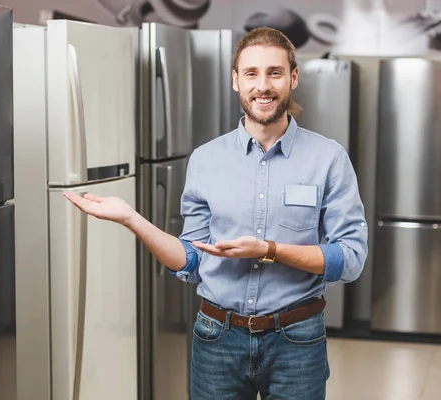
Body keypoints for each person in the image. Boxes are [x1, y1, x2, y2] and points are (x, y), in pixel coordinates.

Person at [63, 26, 368, 400]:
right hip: (217, 338)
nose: (263, 85)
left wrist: (269, 250)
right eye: (251, 73)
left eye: (274, 72)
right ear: (235, 80)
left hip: (297, 340)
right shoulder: (206, 160)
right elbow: (191, 260)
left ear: (293, 77)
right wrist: (131, 218)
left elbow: (350, 258)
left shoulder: (329, 158)